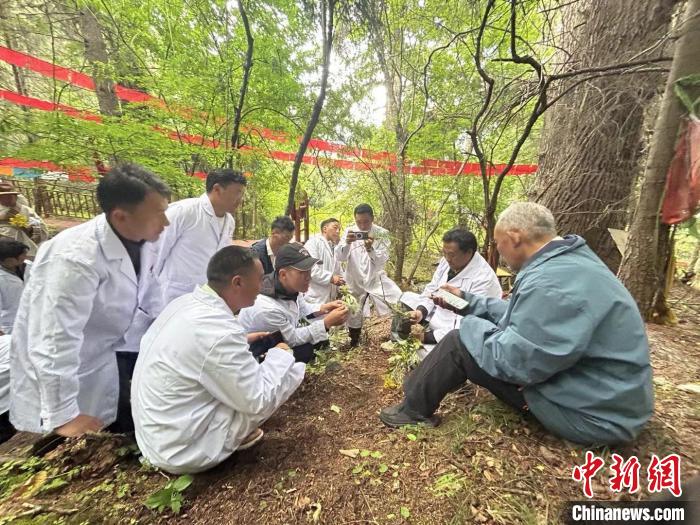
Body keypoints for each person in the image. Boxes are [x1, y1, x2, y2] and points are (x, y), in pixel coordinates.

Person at [379, 202, 654, 446]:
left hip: (592, 417)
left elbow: (514, 363)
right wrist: (469, 302)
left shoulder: (548, 282)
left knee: (458, 342)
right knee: (468, 337)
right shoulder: (569, 263)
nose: (497, 251)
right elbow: (522, 314)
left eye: (498, 244)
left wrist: (470, 326)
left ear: (514, 238)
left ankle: (411, 411)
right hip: (607, 401)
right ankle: (418, 391)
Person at [9, 163, 170, 436]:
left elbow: (150, 292)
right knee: (71, 441)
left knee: (119, 422)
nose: (166, 222)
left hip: (106, 355)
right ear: (120, 216)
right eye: (158, 213)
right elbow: (54, 339)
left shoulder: (143, 239)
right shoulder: (74, 258)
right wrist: (63, 416)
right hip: (67, 373)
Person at [131, 246, 305, 474]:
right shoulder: (220, 332)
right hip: (182, 450)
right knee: (291, 371)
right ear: (237, 282)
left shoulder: (184, 304)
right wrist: (281, 354)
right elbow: (258, 399)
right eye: (259, 279)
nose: (262, 285)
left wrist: (243, 340)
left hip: (157, 435)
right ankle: (229, 438)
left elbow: (199, 349)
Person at [394, 228, 501, 357]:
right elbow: (432, 289)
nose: (447, 259)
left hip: (457, 336)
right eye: (444, 253)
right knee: (405, 299)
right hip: (436, 319)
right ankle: (400, 339)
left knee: (431, 359)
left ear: (468, 252)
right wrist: (420, 312)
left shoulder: (484, 279)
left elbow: (466, 326)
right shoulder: (446, 261)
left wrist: (426, 337)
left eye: (451, 255)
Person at [238, 243, 349, 363]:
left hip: (277, 339)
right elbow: (292, 339)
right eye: (302, 273)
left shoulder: (290, 287)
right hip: (254, 353)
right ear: (283, 274)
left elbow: (302, 308)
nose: (309, 277)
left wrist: (324, 308)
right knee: (304, 350)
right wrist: (326, 323)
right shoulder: (267, 307)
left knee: (317, 341)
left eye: (309, 271)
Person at [155, 168, 246, 306]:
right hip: (173, 295)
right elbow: (154, 255)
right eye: (237, 193)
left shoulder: (229, 222)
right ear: (217, 189)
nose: (240, 200)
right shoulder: (183, 212)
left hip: (207, 297)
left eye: (242, 194)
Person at [336, 204, 402, 347]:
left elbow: (382, 259)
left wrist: (370, 249)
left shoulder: (382, 233)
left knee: (398, 299)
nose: (362, 226)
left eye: (366, 222)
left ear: (372, 219)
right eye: (359, 222)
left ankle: (398, 336)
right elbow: (340, 257)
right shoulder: (349, 231)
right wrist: (347, 243)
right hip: (354, 277)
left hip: (375, 277)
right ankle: (354, 340)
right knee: (354, 310)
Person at [0, 239, 30, 443]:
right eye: (21, 256)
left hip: (30, 322)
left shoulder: (29, 268)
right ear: (8, 260)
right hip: (9, 326)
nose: (25, 258)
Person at [303, 217, 345, 309]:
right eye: (335, 227)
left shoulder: (335, 247)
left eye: (339, 229)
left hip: (330, 298)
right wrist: (331, 278)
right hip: (315, 298)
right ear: (325, 229)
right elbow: (311, 269)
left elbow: (337, 271)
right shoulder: (313, 243)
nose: (338, 231)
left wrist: (341, 286)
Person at [0, 182, 48, 258]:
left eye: (10, 196)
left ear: (16, 197)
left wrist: (31, 229)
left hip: (26, 249)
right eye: (4, 196)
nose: (7, 198)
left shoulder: (27, 210)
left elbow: (41, 228)